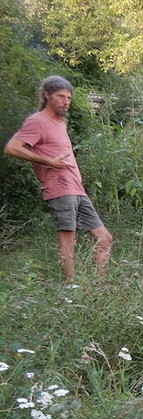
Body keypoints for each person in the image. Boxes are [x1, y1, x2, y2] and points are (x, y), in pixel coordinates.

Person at [4, 75, 113, 281]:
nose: (66, 102)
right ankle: (70, 287)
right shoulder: (37, 121)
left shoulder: (60, 124)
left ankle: (101, 286)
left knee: (105, 238)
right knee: (68, 238)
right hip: (59, 188)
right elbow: (12, 148)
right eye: (61, 96)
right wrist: (49, 162)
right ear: (47, 95)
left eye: (69, 98)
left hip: (76, 188)